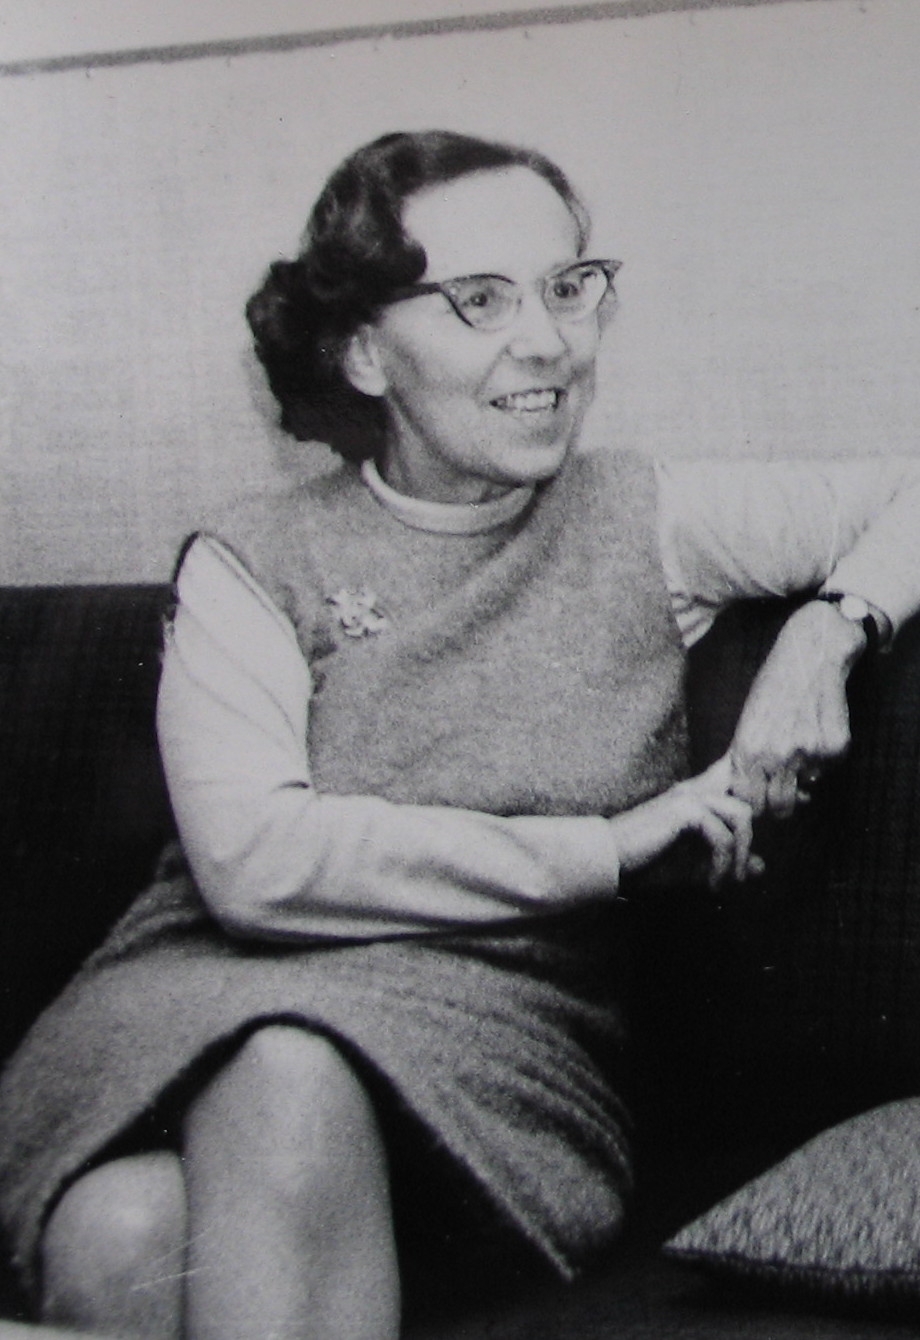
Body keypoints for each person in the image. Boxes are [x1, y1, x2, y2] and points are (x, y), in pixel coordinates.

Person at [1, 129, 919, 1340]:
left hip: (491, 1043)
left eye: (567, 286)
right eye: (479, 299)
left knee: (284, 1070)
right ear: (363, 351)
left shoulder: (642, 516)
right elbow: (252, 863)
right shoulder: (249, 557)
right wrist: (605, 847)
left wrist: (827, 630)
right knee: (119, 1230)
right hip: (191, 990)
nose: (547, 340)